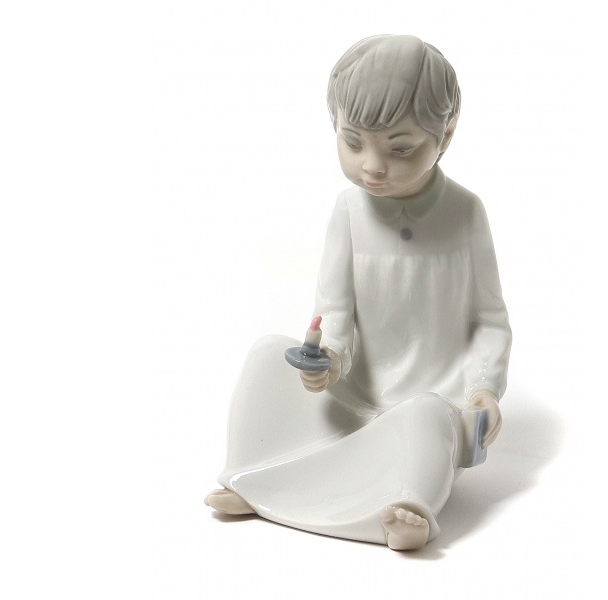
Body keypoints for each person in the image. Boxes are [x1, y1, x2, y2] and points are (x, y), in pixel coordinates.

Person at [205, 35, 511, 551]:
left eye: (399, 148)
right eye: (353, 143)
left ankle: (408, 504)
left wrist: (484, 389)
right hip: (356, 397)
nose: (372, 165)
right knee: (265, 356)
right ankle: (251, 477)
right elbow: (334, 311)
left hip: (429, 404)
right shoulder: (349, 210)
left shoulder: (465, 214)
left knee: (425, 416)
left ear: (446, 135)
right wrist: (328, 360)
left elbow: (489, 319)